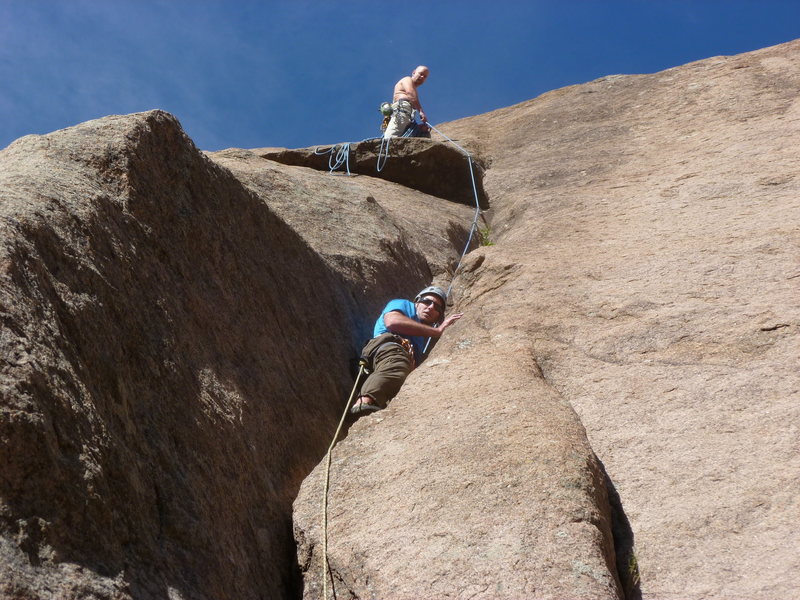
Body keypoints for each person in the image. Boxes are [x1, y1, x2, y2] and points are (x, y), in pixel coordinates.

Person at [351, 286, 463, 415]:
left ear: (438, 318)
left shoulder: (424, 338)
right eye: (427, 302)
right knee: (397, 365)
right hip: (389, 346)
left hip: (395, 356)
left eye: (437, 307)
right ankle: (365, 402)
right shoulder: (403, 304)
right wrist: (437, 331)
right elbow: (393, 322)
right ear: (417, 302)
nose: (431, 307)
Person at [383, 65, 431, 139]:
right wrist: (421, 111)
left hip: (407, 114)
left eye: (425, 76)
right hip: (402, 110)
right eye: (421, 74)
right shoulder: (407, 79)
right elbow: (410, 94)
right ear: (414, 72)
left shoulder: (414, 89)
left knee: (422, 132)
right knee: (390, 138)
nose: (422, 77)